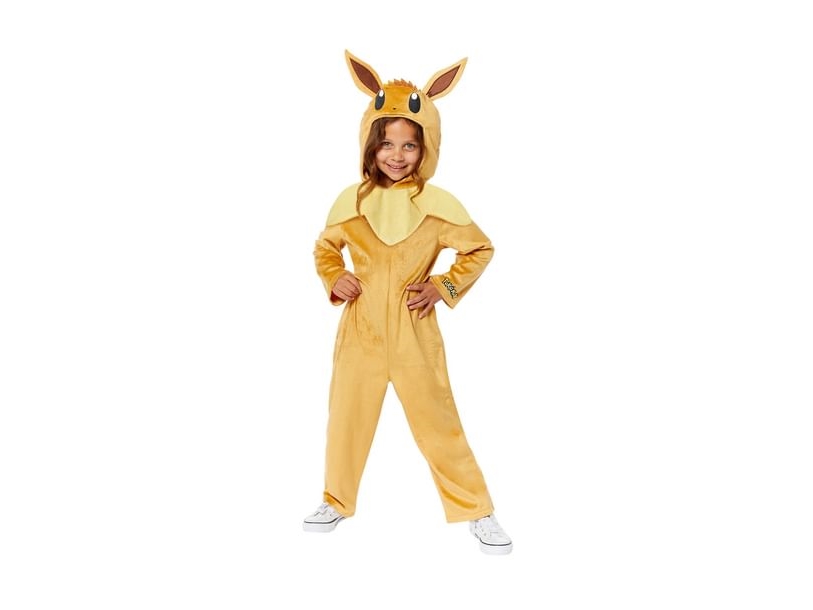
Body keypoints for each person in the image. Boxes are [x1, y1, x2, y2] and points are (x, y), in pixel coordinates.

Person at [303, 50, 512, 555]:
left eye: (410, 145)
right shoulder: (352, 203)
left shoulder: (438, 207)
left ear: (426, 148)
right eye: (386, 144)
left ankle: (477, 509)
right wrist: (336, 276)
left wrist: (444, 286)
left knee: (438, 422)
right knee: (346, 418)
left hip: (415, 330)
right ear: (370, 144)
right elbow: (325, 247)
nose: (396, 156)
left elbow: (480, 248)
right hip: (361, 331)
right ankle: (336, 499)